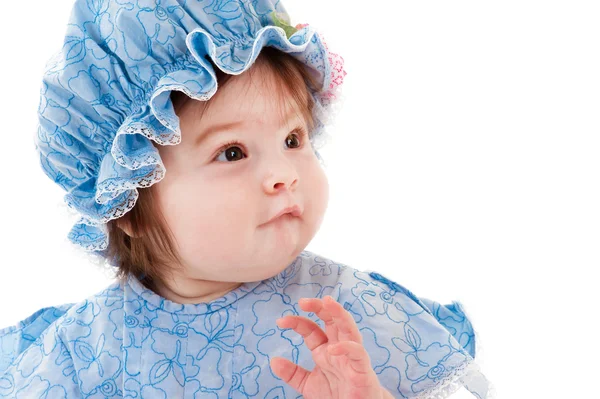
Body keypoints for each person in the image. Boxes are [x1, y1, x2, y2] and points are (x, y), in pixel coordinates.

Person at [0, 0, 494, 398]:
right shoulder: (85, 355)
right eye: (232, 152)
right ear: (126, 203)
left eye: (294, 140)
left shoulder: (343, 314)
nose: (283, 175)